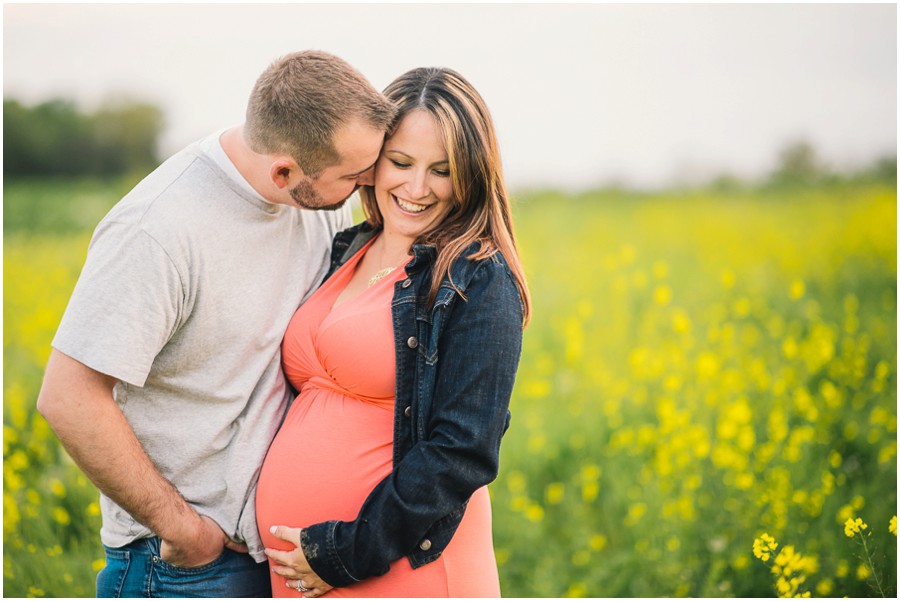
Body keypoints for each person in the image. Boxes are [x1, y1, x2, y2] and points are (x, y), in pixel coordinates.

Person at [35, 50, 396, 598]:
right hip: (192, 569)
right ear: (284, 172)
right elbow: (68, 397)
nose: (368, 182)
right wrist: (182, 528)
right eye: (354, 175)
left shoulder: (319, 202)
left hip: (283, 555)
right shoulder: (158, 228)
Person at [255, 66, 532, 598]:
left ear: (473, 174)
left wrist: (348, 552)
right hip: (307, 568)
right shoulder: (347, 248)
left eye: (442, 170)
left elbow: (462, 450)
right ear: (371, 161)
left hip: (396, 567)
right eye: (400, 162)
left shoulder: (477, 275)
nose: (416, 187)